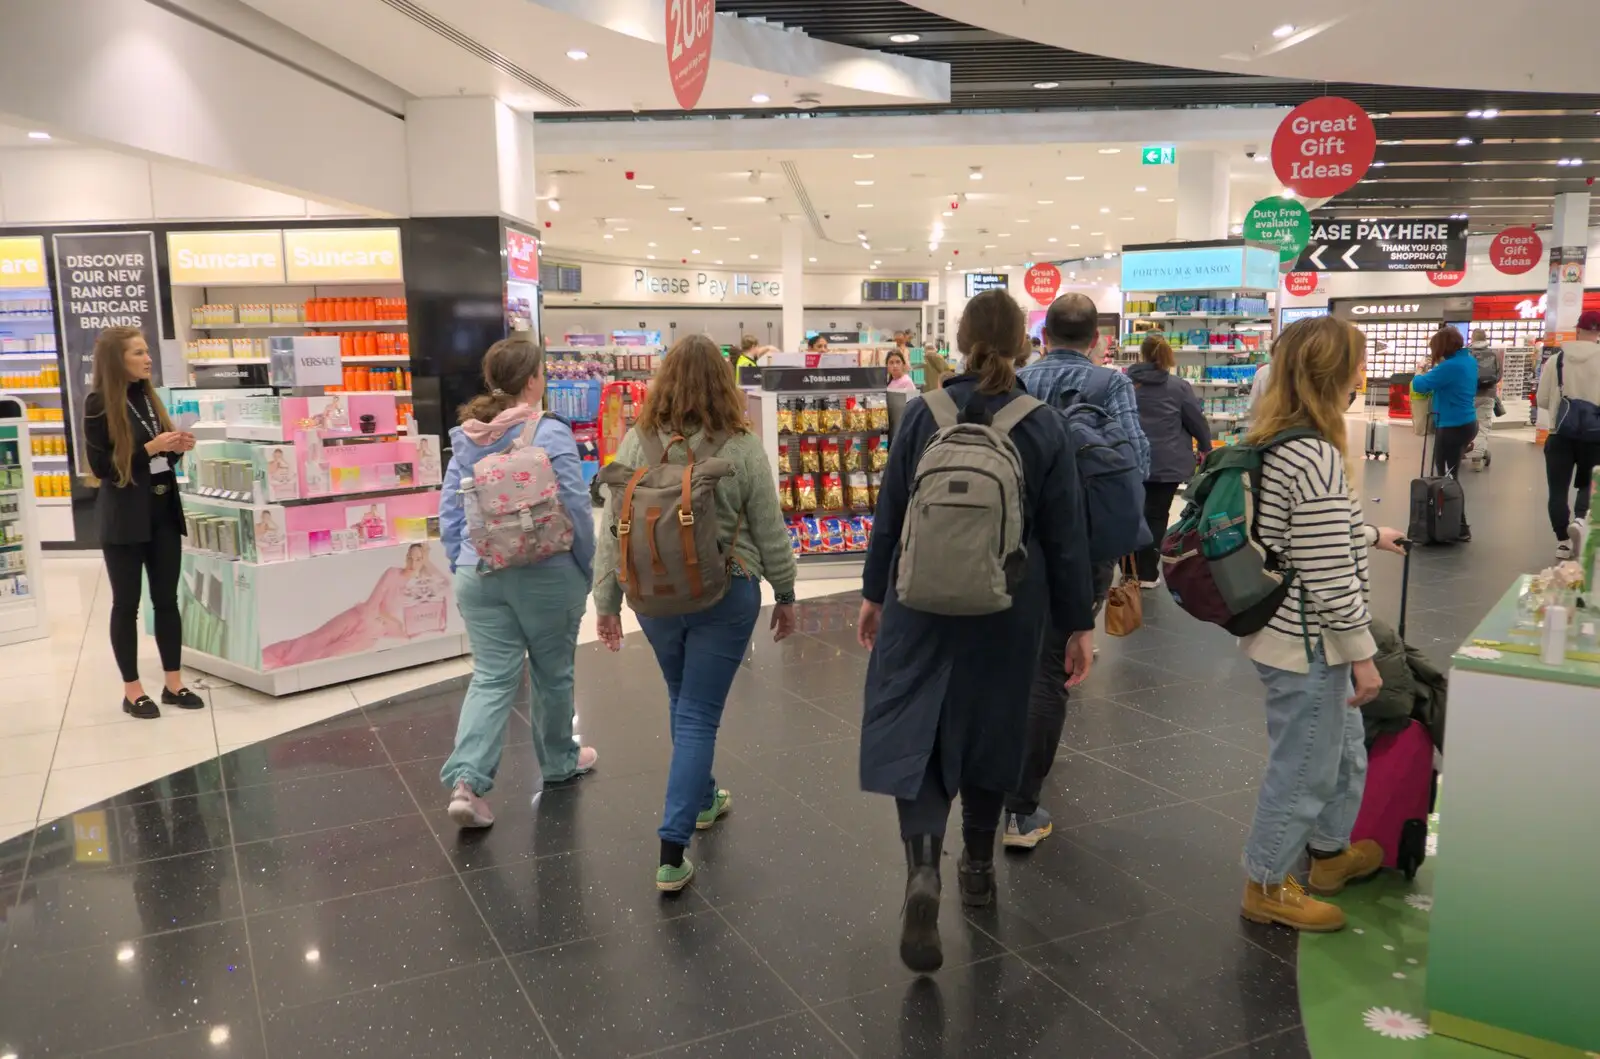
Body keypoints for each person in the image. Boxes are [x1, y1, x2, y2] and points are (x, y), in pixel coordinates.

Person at [858, 288, 1097, 972]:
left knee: (919, 727)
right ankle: (980, 869)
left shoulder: (922, 415)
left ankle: (924, 866)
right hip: (1010, 604)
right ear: (1025, 342)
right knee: (994, 723)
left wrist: (875, 595)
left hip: (920, 599)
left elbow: (891, 513)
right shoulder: (1042, 423)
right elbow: (1067, 536)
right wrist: (1077, 624)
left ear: (959, 340)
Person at [592, 335, 798, 892]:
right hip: (725, 594)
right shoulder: (741, 446)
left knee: (683, 701)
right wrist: (786, 592)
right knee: (697, 714)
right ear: (725, 385)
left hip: (655, 597)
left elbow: (614, 531)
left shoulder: (636, 444)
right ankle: (672, 847)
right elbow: (770, 531)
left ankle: (704, 798)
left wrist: (606, 603)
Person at [1238, 317, 1408, 932]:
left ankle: (1330, 856)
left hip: (1291, 630)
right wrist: (1362, 651)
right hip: (1307, 639)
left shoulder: (1276, 440)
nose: (1364, 377)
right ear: (1336, 375)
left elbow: (1310, 534)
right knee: (1307, 763)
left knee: (1342, 751)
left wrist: (1369, 533)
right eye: (1358, 365)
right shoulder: (1312, 453)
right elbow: (1328, 568)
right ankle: (1265, 882)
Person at [1003, 292, 1151, 848]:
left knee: (1019, 656)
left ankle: (1002, 769)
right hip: (1084, 541)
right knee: (1055, 661)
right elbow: (1138, 459)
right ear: (1095, 339)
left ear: (1043, 337)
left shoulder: (1018, 380)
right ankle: (1021, 810)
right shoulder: (1110, 384)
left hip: (1016, 537)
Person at [437, 337, 598, 828]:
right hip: (547, 573)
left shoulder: (467, 435)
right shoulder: (550, 432)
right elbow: (575, 507)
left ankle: (467, 784)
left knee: (490, 677)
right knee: (553, 673)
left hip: (479, 573)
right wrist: (585, 569)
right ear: (532, 380)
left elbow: (449, 514)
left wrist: (463, 561)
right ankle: (558, 764)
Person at [83, 326, 201, 720]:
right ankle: (133, 691)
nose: (147, 358)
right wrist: (152, 447)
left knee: (167, 601)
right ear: (118, 360)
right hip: (123, 520)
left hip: (163, 513)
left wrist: (176, 450)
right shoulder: (98, 404)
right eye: (137, 352)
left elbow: (158, 464)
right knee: (126, 605)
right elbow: (102, 468)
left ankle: (173, 683)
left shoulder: (150, 398)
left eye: (147, 351)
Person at [262, 543, 450, 667]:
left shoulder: (421, 583)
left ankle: (287, 665)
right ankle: (268, 658)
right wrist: (387, 621)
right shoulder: (392, 573)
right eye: (410, 557)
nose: (412, 562)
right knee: (316, 638)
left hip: (372, 631)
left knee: (329, 654)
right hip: (360, 616)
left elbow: (444, 583)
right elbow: (374, 603)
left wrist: (427, 562)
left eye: (418, 559)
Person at [1127, 333, 1211, 587]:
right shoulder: (1178, 386)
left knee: (1131, 513)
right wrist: (1205, 446)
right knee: (1156, 515)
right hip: (1168, 462)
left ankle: (1127, 569)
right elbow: (1195, 420)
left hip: (1131, 460)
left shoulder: (1124, 383)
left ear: (1141, 354)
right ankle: (1147, 574)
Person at [1538, 310, 1600, 559]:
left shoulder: (1557, 360)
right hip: (1596, 436)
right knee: (1590, 483)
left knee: (1557, 489)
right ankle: (1580, 521)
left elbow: (1542, 399)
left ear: (1578, 329)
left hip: (1559, 433)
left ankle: (1562, 542)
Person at [1412, 327, 1480, 542]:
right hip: (1467, 421)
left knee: (1447, 478)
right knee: (1450, 475)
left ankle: (1458, 526)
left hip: (1452, 426)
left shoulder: (1450, 367)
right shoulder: (1468, 360)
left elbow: (1420, 385)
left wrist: (1420, 371)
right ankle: (1454, 523)